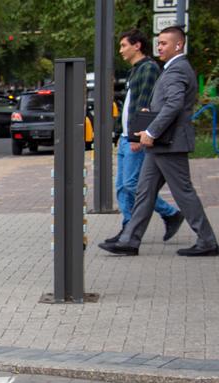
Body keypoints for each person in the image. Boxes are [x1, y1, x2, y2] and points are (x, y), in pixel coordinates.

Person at [99, 26, 217, 257]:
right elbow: (166, 104)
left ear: (178, 45)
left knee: (183, 192)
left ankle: (207, 241)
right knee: (144, 192)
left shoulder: (178, 70)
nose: (159, 47)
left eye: (164, 43)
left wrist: (151, 132)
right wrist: (149, 113)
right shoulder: (171, 69)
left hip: (170, 143)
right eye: (158, 43)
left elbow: (174, 105)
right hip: (163, 144)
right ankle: (130, 241)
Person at [105, 29, 182, 244]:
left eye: (124, 45)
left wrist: (138, 137)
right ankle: (127, 229)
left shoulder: (148, 69)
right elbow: (130, 104)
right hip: (125, 136)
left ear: (137, 45)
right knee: (122, 186)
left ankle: (170, 213)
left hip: (135, 137)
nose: (121, 50)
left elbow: (146, 106)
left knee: (132, 185)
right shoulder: (136, 70)